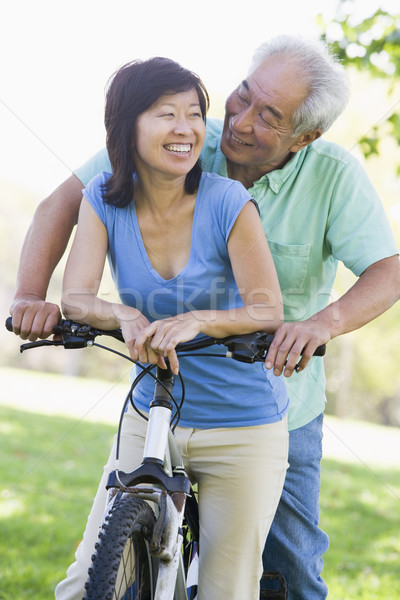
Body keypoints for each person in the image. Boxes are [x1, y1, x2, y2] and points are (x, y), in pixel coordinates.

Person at [9, 35, 400, 599]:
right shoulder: (183, 139)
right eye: (242, 96)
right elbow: (61, 206)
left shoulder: (332, 174)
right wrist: (30, 295)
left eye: (269, 115)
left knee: (286, 576)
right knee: (104, 567)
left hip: (275, 402)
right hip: (163, 395)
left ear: (306, 136)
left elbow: (387, 272)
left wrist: (321, 323)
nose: (239, 120)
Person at [56, 56, 289, 600]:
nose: (186, 129)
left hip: (243, 425)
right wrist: (124, 315)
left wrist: (196, 321)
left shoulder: (227, 200)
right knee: (87, 579)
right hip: (152, 410)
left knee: (226, 589)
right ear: (127, 126)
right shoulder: (102, 199)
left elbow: (267, 308)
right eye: (166, 114)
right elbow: (75, 296)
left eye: (194, 114)